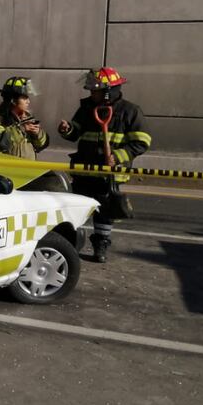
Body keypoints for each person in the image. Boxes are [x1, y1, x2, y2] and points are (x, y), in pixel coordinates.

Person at [58, 67, 151, 263]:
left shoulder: (130, 111)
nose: (91, 93)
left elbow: (142, 142)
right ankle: (71, 244)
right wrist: (67, 129)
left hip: (109, 174)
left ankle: (101, 245)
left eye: (95, 90)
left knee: (105, 213)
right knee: (78, 209)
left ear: (108, 90)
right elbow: (75, 132)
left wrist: (117, 156)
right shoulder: (86, 108)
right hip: (85, 170)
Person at [0, 76, 49, 159]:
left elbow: (41, 145)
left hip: (29, 169)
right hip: (8, 170)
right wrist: (22, 129)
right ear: (13, 100)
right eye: (25, 98)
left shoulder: (27, 117)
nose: (28, 101)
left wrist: (37, 134)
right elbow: (0, 142)